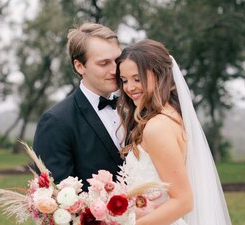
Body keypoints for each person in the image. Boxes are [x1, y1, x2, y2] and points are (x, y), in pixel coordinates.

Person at [116, 39, 232, 225]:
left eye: (137, 79)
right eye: (124, 80)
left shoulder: (157, 127)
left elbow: (183, 202)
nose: (129, 87)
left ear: (160, 75)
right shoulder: (174, 116)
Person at [33, 23, 123, 190]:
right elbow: (58, 198)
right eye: (104, 63)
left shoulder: (134, 107)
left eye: (118, 60)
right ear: (79, 66)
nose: (115, 70)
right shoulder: (56, 122)